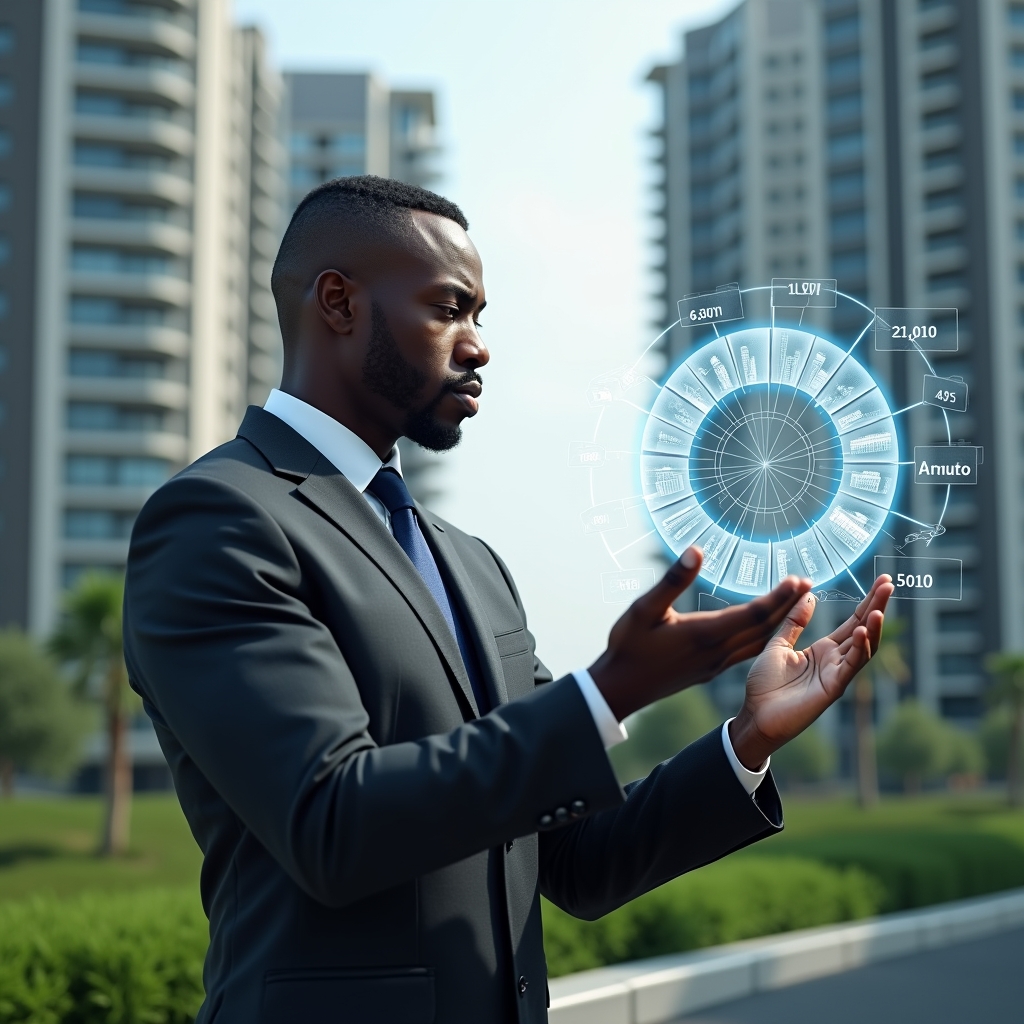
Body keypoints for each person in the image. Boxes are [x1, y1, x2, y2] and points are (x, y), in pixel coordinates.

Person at [123, 176, 892, 1024]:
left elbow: (578, 862)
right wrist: (611, 691)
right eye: (449, 308)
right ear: (337, 302)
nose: (478, 345)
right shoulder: (218, 519)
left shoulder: (471, 565)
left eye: (480, 316)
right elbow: (330, 822)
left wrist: (745, 742)